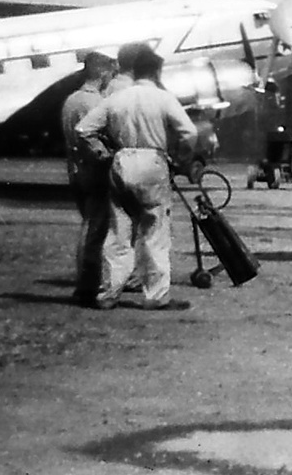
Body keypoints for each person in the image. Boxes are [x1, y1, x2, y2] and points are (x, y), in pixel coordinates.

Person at [75, 46, 199, 311]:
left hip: (120, 161)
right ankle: (156, 295)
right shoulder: (163, 98)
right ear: (156, 71)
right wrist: (182, 159)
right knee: (155, 230)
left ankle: (108, 293)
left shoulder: (117, 98)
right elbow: (189, 132)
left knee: (118, 232)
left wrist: (102, 153)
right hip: (152, 162)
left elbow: (84, 129)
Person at [60, 51, 116, 305]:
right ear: (103, 73)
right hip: (94, 171)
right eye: (110, 74)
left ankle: (87, 282)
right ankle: (88, 285)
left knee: (89, 225)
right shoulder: (95, 103)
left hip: (75, 169)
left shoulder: (71, 100)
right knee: (96, 229)